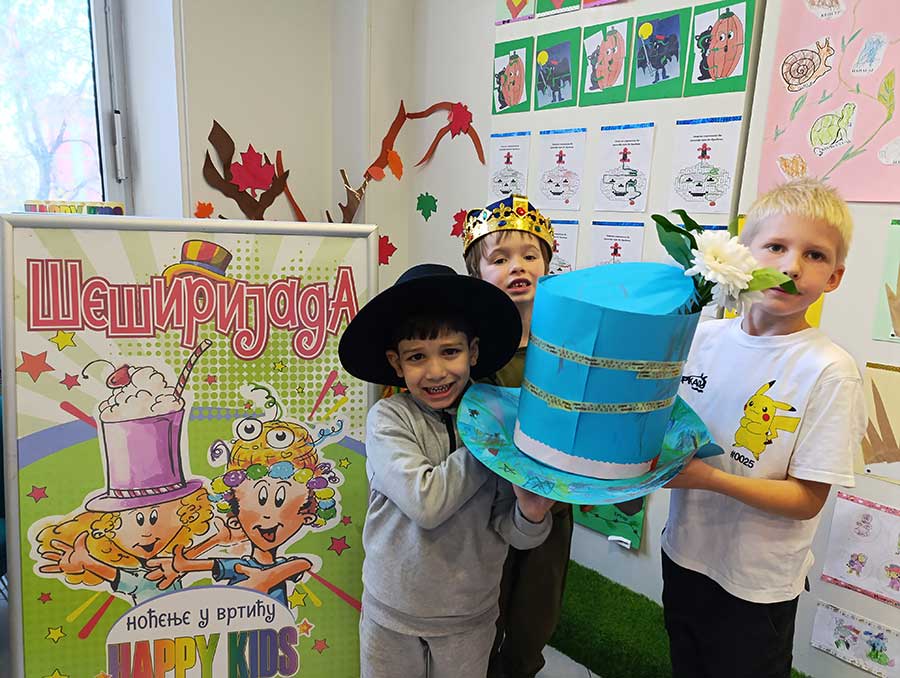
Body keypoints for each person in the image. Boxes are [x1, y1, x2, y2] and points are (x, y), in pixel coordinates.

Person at [661, 178, 867, 678]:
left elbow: (807, 499)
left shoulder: (829, 370)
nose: (792, 266)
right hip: (683, 554)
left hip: (757, 585)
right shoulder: (701, 338)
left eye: (815, 255)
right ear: (743, 254)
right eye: (776, 246)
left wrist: (708, 479)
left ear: (834, 277)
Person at [338, 263, 556, 678]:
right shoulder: (389, 419)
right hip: (392, 616)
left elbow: (513, 532)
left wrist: (530, 514)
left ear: (472, 352)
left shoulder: (498, 418)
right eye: (417, 357)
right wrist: (490, 441)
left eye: (450, 352)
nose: (436, 371)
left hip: (469, 618)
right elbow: (426, 502)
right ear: (396, 363)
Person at [463, 195, 574, 678]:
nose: (518, 267)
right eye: (500, 259)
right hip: (487, 510)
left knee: (535, 619)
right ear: (477, 273)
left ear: (547, 266)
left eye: (530, 255)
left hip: (552, 507)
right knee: (484, 617)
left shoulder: (567, 347)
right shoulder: (472, 352)